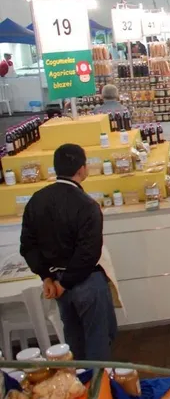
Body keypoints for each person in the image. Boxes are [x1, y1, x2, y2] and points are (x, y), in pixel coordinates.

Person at [20, 144, 117, 360]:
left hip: (57, 283)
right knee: (99, 338)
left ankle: (79, 387)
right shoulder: (87, 205)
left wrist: (47, 277)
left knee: (74, 342)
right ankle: (98, 389)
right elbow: (88, 253)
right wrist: (64, 284)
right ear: (82, 169)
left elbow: (27, 245)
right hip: (85, 282)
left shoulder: (36, 201)